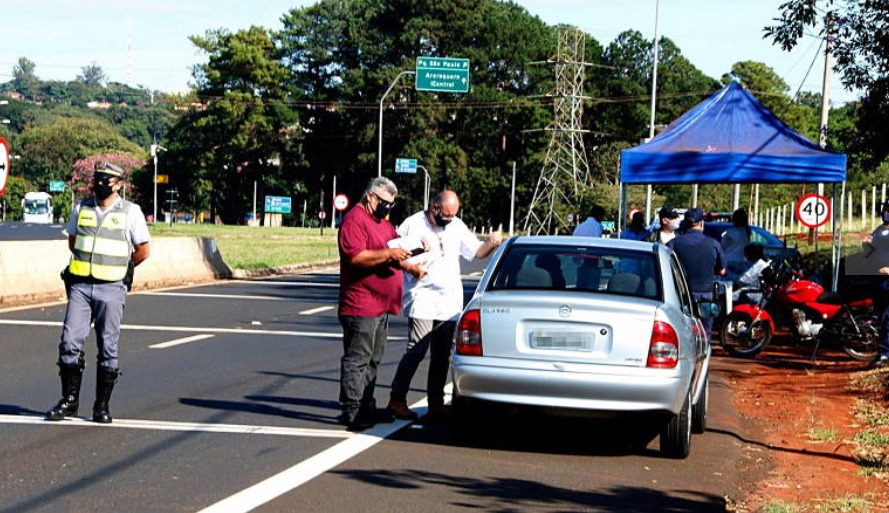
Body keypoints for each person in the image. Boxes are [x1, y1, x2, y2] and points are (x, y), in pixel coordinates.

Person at [46, 161, 151, 424]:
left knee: (108, 346)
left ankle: (101, 405)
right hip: (80, 285)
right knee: (69, 342)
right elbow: (73, 241)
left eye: (107, 180)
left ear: (119, 185)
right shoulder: (81, 208)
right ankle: (69, 401)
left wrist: (122, 269)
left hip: (112, 287)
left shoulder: (131, 212)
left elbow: (142, 251)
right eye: (97, 179)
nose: (101, 184)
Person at [385, 190, 502, 421]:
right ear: (435, 207)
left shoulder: (456, 225)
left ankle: (435, 403)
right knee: (417, 348)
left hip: (449, 300)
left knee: (441, 355)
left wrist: (492, 244)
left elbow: (475, 252)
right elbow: (396, 254)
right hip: (422, 295)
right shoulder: (413, 223)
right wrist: (412, 269)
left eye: (452, 216)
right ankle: (396, 400)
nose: (448, 220)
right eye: (446, 215)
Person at [337, 177, 424, 431]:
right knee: (358, 358)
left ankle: (367, 405)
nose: (388, 208)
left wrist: (414, 256)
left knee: (374, 358)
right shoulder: (354, 220)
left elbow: (396, 247)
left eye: (391, 204)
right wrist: (388, 254)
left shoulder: (383, 224)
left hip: (381, 304)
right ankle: (352, 410)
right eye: (385, 203)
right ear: (370, 197)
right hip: (361, 303)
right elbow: (356, 258)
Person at [668, 207, 726, 341]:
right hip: (705, 295)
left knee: (682, 333)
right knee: (704, 335)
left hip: (681, 296)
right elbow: (722, 270)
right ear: (702, 223)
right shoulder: (713, 244)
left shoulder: (674, 243)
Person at [867, 201, 889, 367]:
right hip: (877, 280)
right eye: (886, 209)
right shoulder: (879, 230)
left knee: (887, 317)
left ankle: (885, 353)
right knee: (881, 317)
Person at [721, 208, 751, 283]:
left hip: (729, 261)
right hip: (742, 262)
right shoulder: (747, 232)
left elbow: (722, 247)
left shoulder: (729, 233)